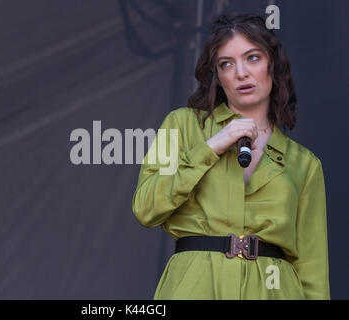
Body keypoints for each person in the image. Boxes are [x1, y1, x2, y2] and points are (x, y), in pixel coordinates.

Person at [132, 13, 330, 300]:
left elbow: (312, 268)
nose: (241, 73)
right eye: (227, 64)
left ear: (273, 65)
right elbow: (146, 207)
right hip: (196, 285)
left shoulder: (305, 163)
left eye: (252, 58)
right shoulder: (183, 125)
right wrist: (210, 147)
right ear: (218, 77)